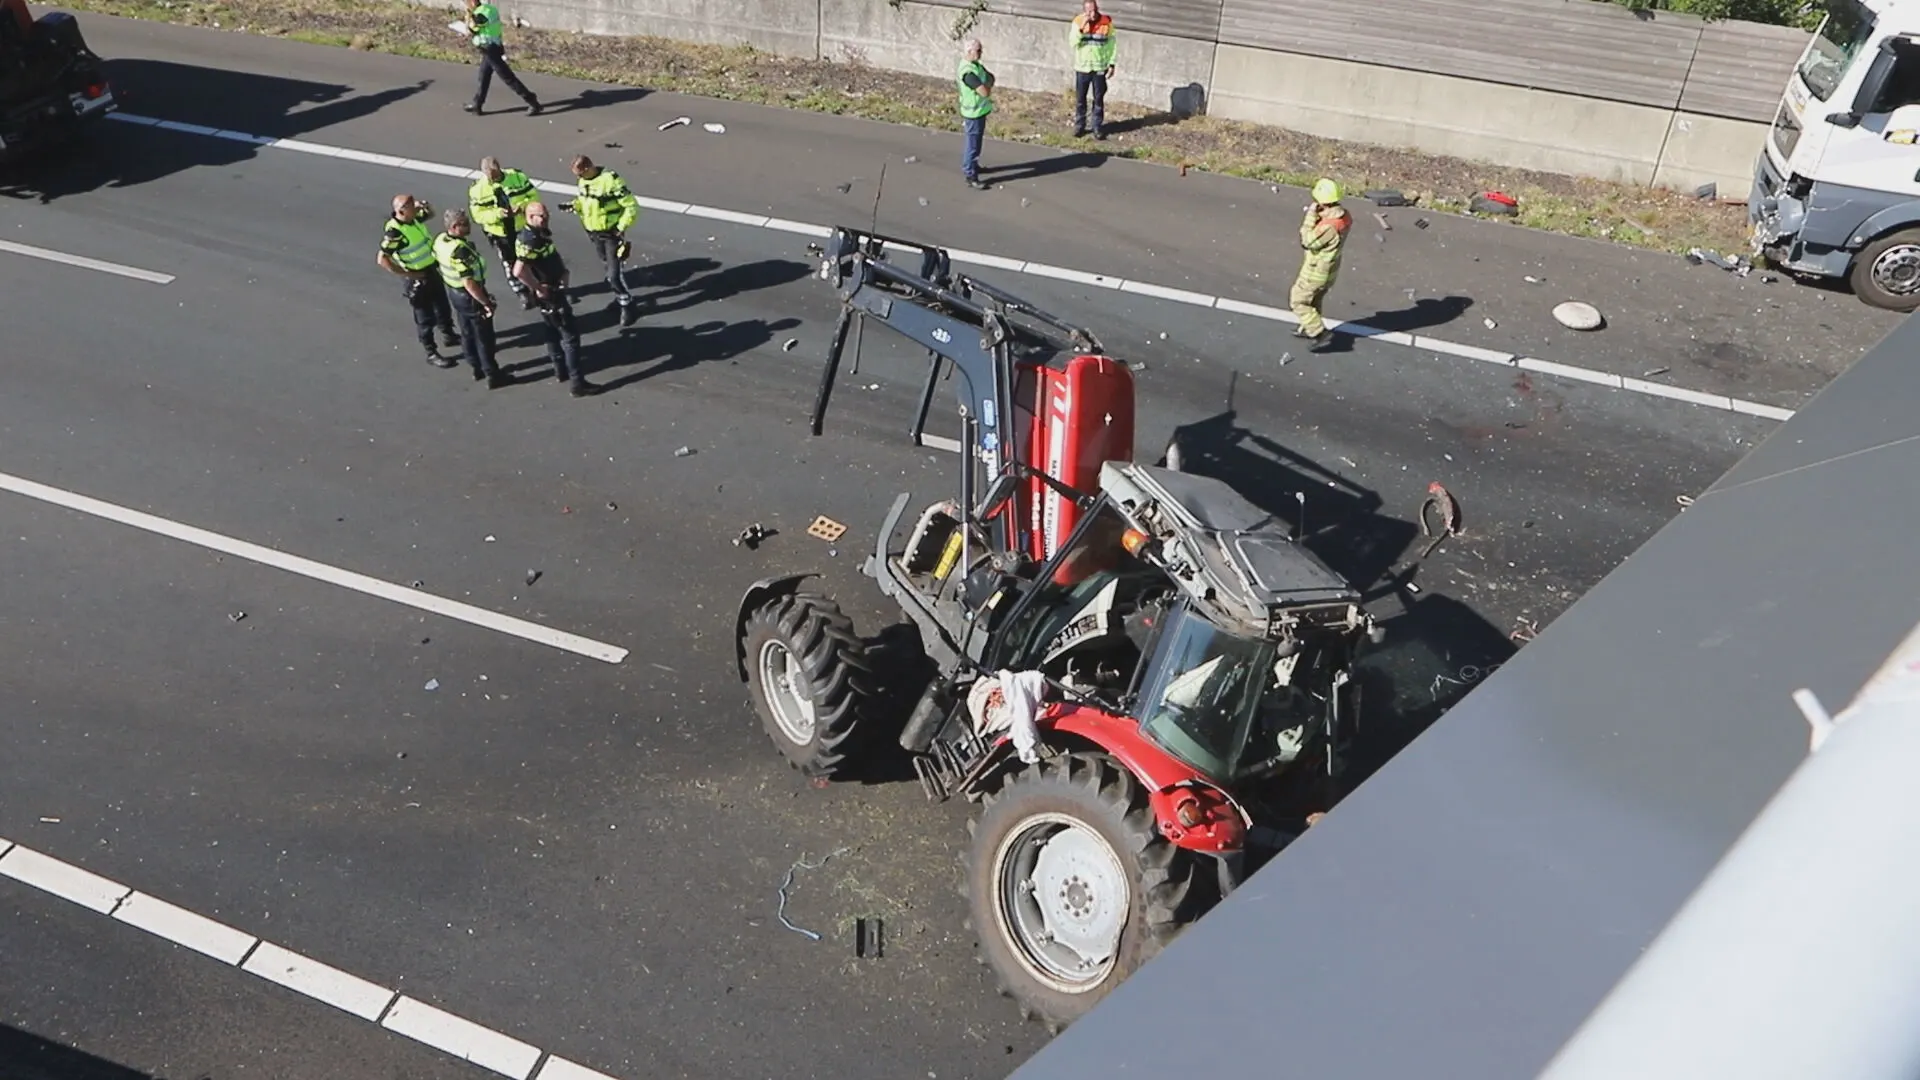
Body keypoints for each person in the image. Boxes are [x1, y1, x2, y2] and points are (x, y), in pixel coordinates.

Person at [513, 201, 601, 397]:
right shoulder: (530, 240)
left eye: (546, 215)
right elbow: (518, 271)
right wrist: (538, 288)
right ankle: (577, 383)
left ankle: (559, 370)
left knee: (551, 330)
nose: (545, 220)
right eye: (541, 217)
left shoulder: (536, 234)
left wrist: (562, 271)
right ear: (530, 217)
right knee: (570, 337)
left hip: (552, 288)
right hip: (551, 293)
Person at [376, 193, 460, 368]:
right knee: (424, 317)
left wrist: (425, 206)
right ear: (402, 211)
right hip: (417, 277)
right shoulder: (395, 233)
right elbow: (382, 259)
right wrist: (409, 275)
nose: (416, 208)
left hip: (430, 270)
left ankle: (448, 334)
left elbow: (430, 214)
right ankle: (431, 352)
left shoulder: (412, 220)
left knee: (442, 305)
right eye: (412, 206)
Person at [561, 155, 642, 327]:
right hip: (594, 232)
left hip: (611, 233)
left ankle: (628, 304)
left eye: (580, 174)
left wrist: (620, 227)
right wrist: (575, 206)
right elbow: (585, 202)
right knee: (608, 268)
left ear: (588, 168)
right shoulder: (584, 181)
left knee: (614, 275)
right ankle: (619, 298)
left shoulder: (611, 181)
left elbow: (631, 206)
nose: (579, 179)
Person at [433, 208, 510, 389]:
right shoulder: (459, 251)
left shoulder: (440, 241)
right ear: (454, 227)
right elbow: (469, 282)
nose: (469, 226)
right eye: (465, 224)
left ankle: (476, 368)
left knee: (466, 332)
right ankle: (492, 374)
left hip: (454, 293)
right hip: (469, 296)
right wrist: (486, 302)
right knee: (484, 337)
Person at [467, 156, 538, 308]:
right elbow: (478, 215)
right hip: (500, 233)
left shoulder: (517, 177)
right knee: (510, 263)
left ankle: (539, 288)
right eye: (490, 176)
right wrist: (498, 214)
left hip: (521, 227)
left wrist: (522, 207)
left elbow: (534, 197)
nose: (494, 179)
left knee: (533, 256)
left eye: (496, 175)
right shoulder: (477, 190)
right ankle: (521, 292)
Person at [1292, 178, 1351, 351]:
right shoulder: (1344, 216)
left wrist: (1310, 217)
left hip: (1315, 272)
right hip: (1330, 270)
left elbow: (1307, 241)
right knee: (1314, 300)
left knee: (1298, 301)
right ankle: (1308, 327)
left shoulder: (1329, 227)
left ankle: (1318, 333)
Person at [464, 0, 541, 116]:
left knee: (507, 77)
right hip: (492, 47)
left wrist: (468, 17)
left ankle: (532, 100)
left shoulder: (479, 14)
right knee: (483, 75)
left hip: (490, 49)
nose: (466, 4)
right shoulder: (490, 9)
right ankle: (477, 103)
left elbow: (472, 29)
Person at [1069, 0, 1116, 140]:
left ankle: (1097, 127)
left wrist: (1112, 64)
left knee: (1098, 98)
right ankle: (1079, 125)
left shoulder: (1106, 22)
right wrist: (1082, 28)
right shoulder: (1077, 22)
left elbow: (1112, 44)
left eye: (1094, 10)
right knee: (1080, 99)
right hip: (1082, 67)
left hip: (1099, 67)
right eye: (1089, 11)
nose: (1092, 14)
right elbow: (1072, 43)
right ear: (1084, 11)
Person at [957, 40, 994, 191]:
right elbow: (984, 91)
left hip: (979, 111)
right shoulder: (968, 72)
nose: (980, 53)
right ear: (969, 52)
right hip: (972, 113)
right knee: (972, 145)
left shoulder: (976, 65)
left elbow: (991, 78)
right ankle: (970, 174)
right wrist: (986, 85)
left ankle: (974, 165)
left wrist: (986, 83)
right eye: (978, 51)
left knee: (976, 143)